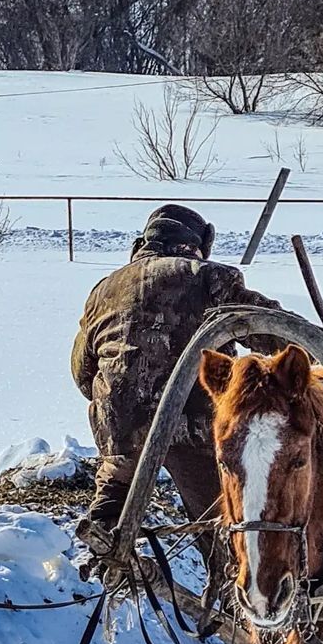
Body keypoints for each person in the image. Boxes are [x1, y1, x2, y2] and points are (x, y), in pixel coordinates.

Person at [71, 203, 284, 541]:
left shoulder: (104, 289)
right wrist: (319, 348)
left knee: (117, 482)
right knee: (220, 517)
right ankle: (226, 568)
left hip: (121, 423)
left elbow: (83, 371)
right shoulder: (210, 277)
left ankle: (107, 532)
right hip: (194, 424)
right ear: (198, 244)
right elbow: (266, 326)